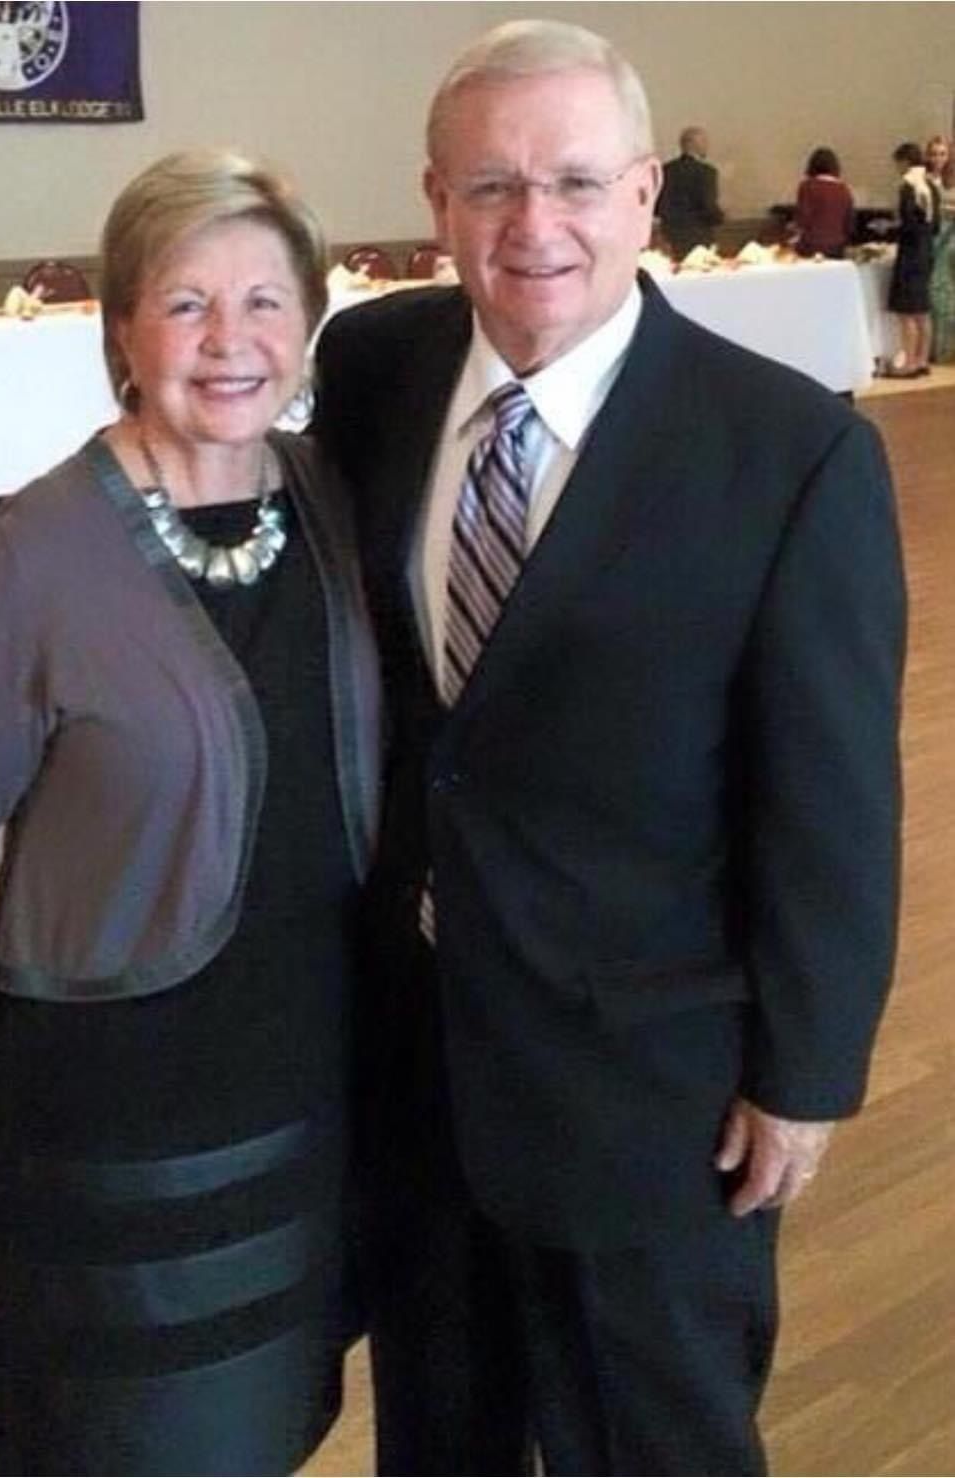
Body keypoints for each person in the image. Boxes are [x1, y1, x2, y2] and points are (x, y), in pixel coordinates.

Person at [315, 19, 905, 1477]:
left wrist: (807, 1068)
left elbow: (829, 798)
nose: (537, 227)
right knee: (439, 1434)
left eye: (576, 183)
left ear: (645, 194)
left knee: (655, 1439)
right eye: (494, 187)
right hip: (419, 1055)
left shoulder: (789, 454)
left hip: (651, 1092)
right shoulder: (373, 366)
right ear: (437, 198)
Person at [0, 149, 381, 1476]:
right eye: (187, 303)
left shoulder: (325, 500)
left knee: (266, 1424)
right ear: (120, 329)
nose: (231, 342)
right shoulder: (23, 566)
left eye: (265, 302)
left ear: (308, 325)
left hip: (302, 1085)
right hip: (112, 1124)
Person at [886, 140, 941, 377]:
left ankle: (908, 363)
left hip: (910, 254)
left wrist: (890, 227)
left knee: (907, 311)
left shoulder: (908, 185)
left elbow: (908, 224)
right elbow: (936, 225)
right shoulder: (931, 185)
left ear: (905, 161)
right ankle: (922, 360)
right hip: (927, 251)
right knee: (923, 311)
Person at [656, 123, 724, 258]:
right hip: (698, 237)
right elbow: (708, 206)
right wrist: (720, 217)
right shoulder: (706, 172)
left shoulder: (665, 171)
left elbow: (657, 206)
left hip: (669, 236)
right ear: (695, 145)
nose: (707, 146)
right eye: (704, 142)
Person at [791, 146, 854, 258]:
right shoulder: (844, 188)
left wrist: (792, 231)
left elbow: (803, 218)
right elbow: (848, 222)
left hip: (811, 245)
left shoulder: (808, 186)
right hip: (837, 246)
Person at [924, 133, 955, 362]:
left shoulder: (950, 181)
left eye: (942, 154)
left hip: (950, 242)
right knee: (935, 293)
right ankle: (936, 350)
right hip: (932, 241)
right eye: (934, 154)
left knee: (945, 294)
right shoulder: (924, 181)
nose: (938, 158)